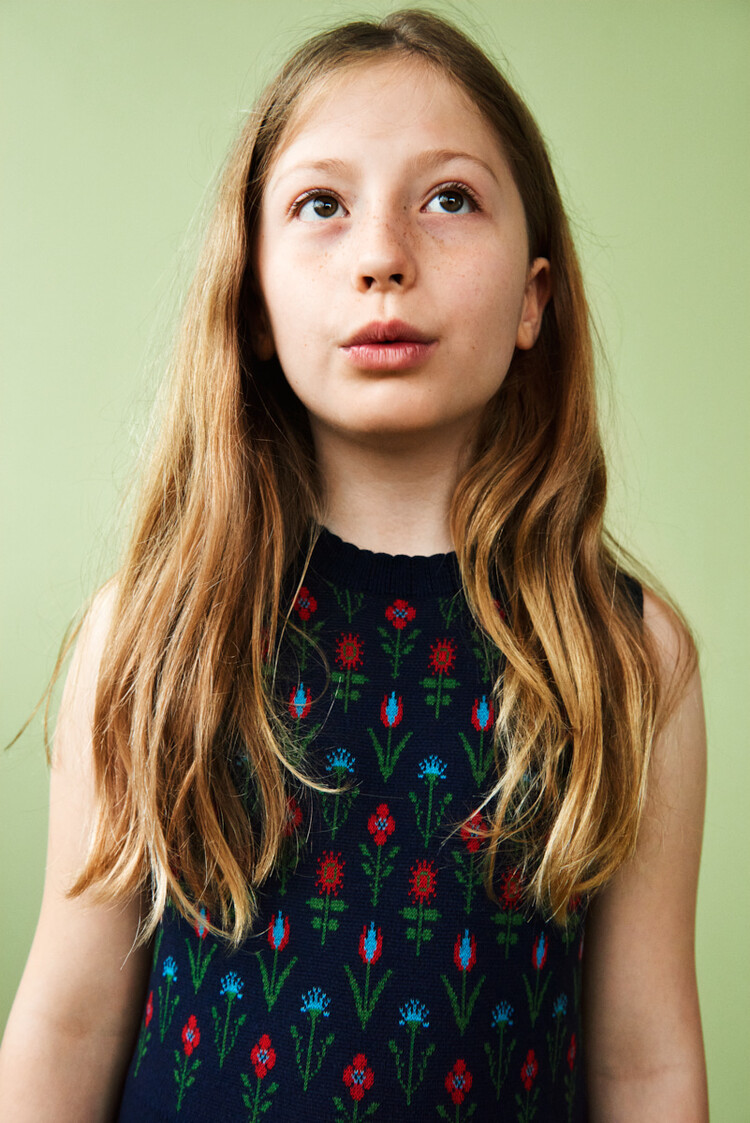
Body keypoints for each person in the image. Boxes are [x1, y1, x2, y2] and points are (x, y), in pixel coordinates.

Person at [0, 9, 708, 1120]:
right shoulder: (147, 633)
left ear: (534, 298)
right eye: (322, 205)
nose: (383, 257)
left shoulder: (628, 654)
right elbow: (68, 1023)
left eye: (450, 198)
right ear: (255, 300)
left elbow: (645, 1061)